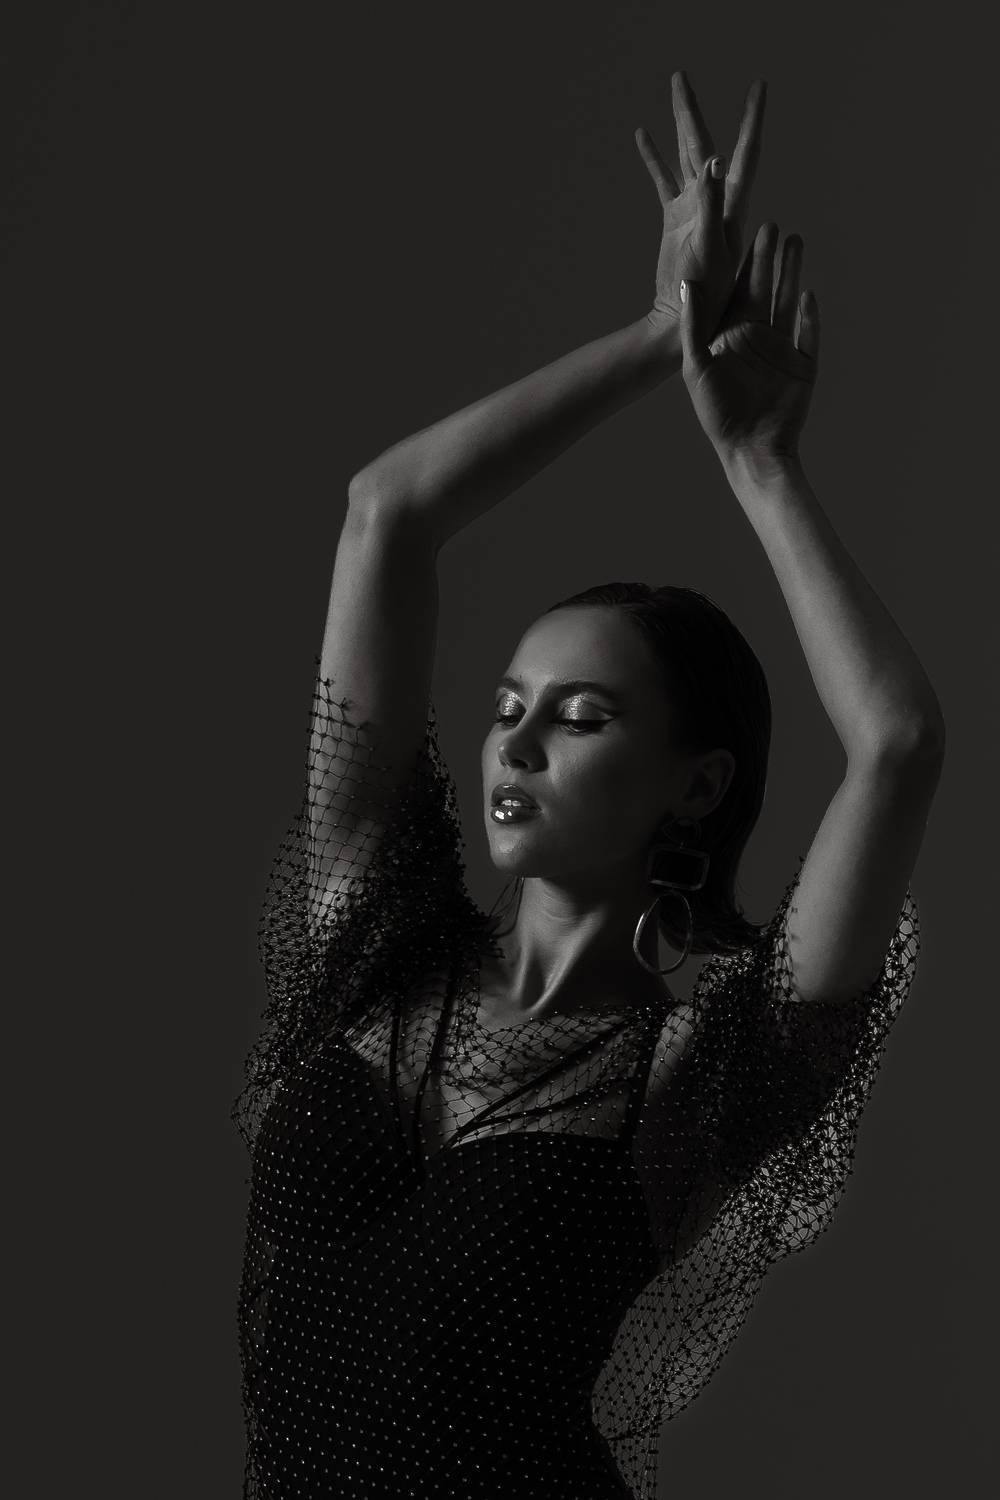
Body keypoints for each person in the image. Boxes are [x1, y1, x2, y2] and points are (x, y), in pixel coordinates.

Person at [233, 72, 944, 1500]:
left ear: (695, 786)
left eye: (582, 718)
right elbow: (387, 513)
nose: (518, 745)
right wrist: (659, 333)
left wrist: (758, 462)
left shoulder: (696, 1073)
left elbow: (897, 743)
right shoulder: (374, 947)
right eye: (508, 711)